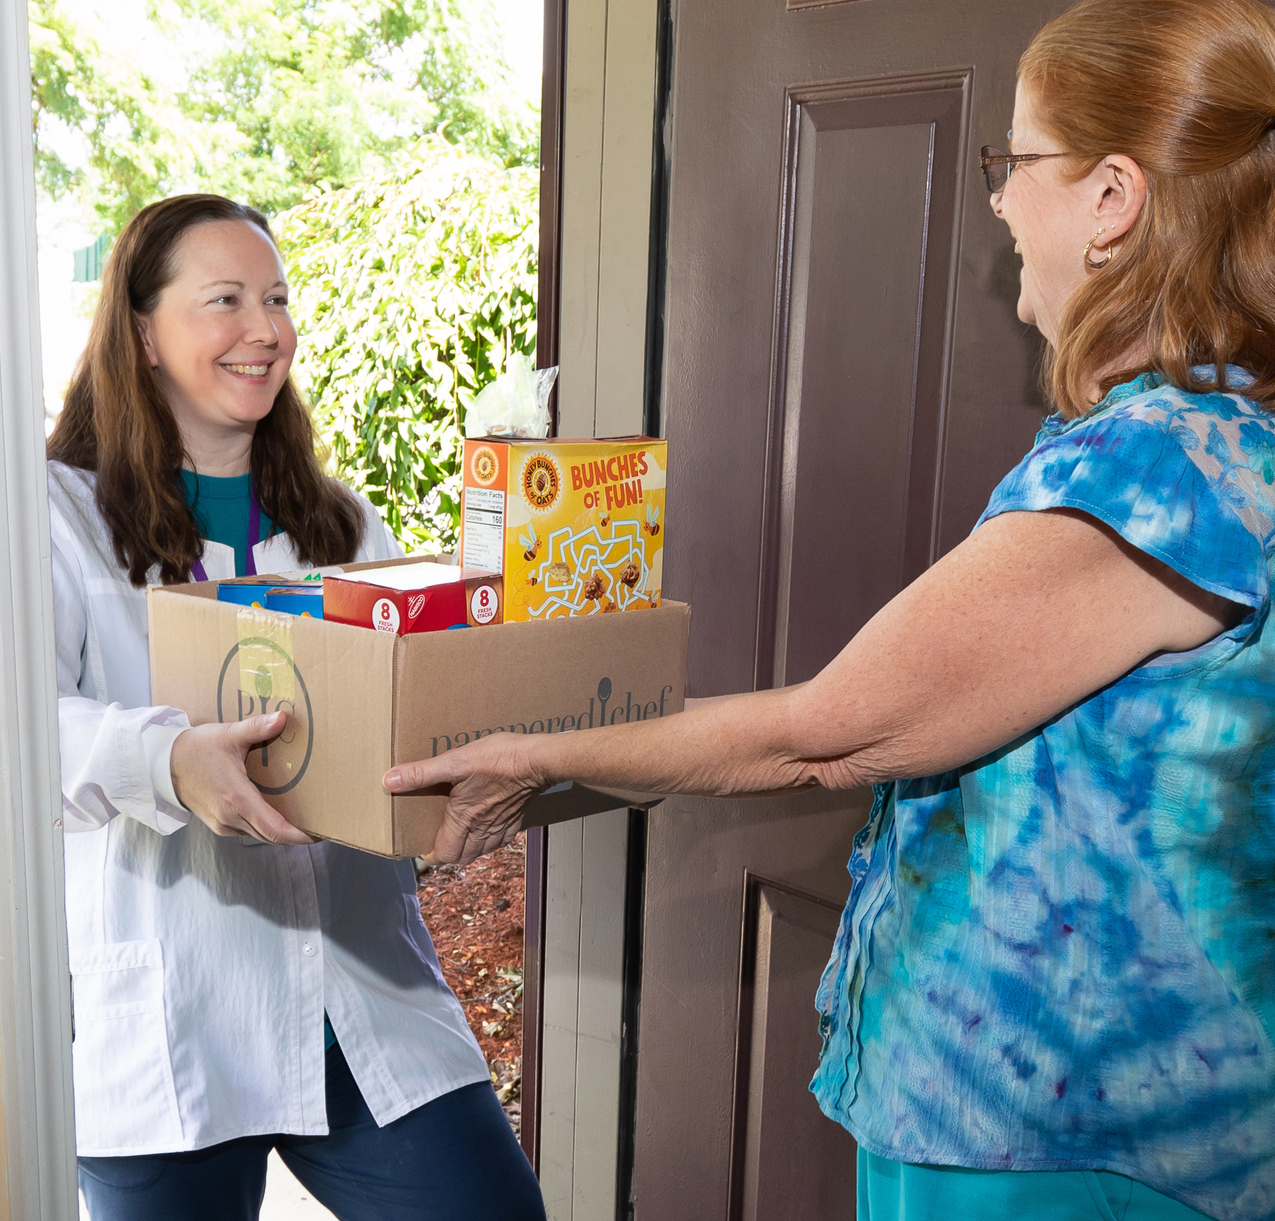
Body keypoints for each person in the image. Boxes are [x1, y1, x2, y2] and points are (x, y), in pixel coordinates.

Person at [383, 1, 1275, 1217]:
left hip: (1050, 1137)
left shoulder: (1159, 467)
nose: (1002, 204)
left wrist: (533, 760)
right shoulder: (1206, 436)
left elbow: (831, 732)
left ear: (1113, 198)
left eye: (1014, 164)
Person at [50, 194, 545, 1221]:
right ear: (142, 331)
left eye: (275, 298)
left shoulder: (344, 525)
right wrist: (172, 762)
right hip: (176, 1008)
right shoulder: (57, 516)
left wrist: (449, 781)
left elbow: (398, 715)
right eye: (224, 298)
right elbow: (23, 730)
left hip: (359, 996)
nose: (265, 328)